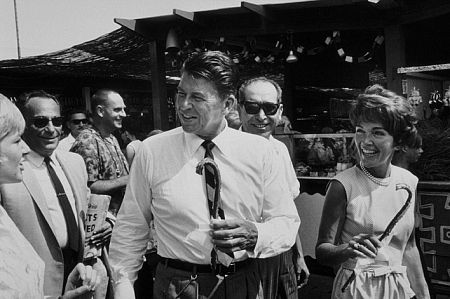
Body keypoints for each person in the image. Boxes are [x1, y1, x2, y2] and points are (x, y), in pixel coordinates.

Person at [109, 51, 300, 299]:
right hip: (176, 286)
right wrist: (123, 288)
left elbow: (286, 222)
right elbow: (130, 227)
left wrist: (255, 235)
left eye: (197, 97)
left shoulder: (261, 152)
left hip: (244, 284)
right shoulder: (152, 151)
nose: (183, 105)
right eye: (181, 93)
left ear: (228, 104)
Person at [315, 85, 430, 299]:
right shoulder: (342, 185)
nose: (366, 141)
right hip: (358, 288)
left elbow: (409, 247)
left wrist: (423, 294)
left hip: (398, 288)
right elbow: (322, 251)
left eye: (377, 132)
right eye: (361, 131)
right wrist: (347, 249)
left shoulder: (408, 182)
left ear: (398, 141)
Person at [0, 92, 103, 298]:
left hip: (81, 273)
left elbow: (87, 204)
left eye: (56, 121)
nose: (51, 129)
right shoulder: (11, 173)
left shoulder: (75, 162)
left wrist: (105, 222)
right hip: (36, 284)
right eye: (40, 122)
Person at [237, 77, 310, 299]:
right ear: (238, 108)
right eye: (252, 107)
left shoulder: (280, 150)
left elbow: (288, 209)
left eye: (269, 108)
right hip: (245, 261)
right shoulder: (226, 151)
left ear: (279, 111)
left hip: (281, 257)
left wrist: (299, 255)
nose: (261, 116)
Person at [71, 89, 129, 219]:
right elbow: (87, 187)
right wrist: (128, 179)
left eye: (123, 109)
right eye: (117, 110)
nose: (124, 114)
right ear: (100, 111)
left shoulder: (112, 138)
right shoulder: (87, 140)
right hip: (101, 226)